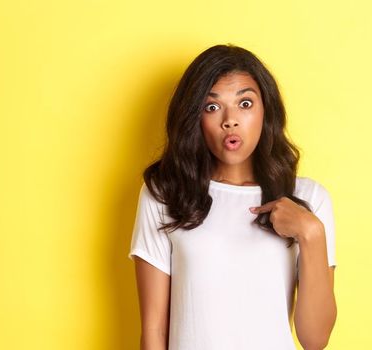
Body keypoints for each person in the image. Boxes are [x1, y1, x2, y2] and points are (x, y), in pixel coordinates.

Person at [128, 44, 337, 350]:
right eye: (212, 107)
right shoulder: (165, 194)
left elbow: (315, 340)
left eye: (245, 103)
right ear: (195, 118)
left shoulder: (308, 198)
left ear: (266, 110)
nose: (230, 120)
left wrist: (311, 233)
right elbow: (154, 329)